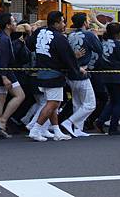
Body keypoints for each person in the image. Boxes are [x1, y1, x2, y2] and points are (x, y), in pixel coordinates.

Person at [27, 11, 80, 142]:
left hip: (42, 73)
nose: (64, 24)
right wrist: (76, 70)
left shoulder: (39, 32)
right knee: (53, 103)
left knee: (54, 103)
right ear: (56, 23)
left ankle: (56, 131)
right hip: (54, 74)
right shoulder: (59, 37)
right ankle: (36, 129)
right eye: (62, 22)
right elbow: (68, 57)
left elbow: (29, 45)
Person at [63, 13, 99, 137]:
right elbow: (99, 49)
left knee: (77, 103)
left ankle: (78, 129)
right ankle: (69, 122)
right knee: (90, 104)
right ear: (84, 22)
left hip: (71, 73)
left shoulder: (70, 35)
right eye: (88, 20)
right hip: (82, 73)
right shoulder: (89, 35)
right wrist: (95, 36)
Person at [0, 13, 26, 138]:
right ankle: (2, 121)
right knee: (20, 95)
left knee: (0, 99)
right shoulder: (4, 40)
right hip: (4, 72)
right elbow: (2, 59)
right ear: (8, 25)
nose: (16, 24)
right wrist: (4, 77)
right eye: (14, 22)